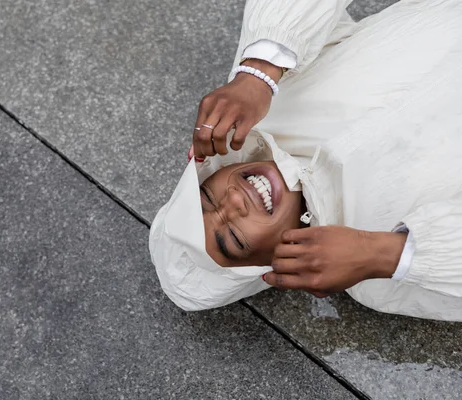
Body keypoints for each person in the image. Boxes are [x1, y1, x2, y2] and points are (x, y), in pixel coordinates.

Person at [149, 0, 462, 321]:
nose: (232, 202)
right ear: (277, 263)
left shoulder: (259, 104)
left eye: (208, 197)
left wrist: (259, 71)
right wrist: (385, 254)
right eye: (234, 238)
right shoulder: (377, 277)